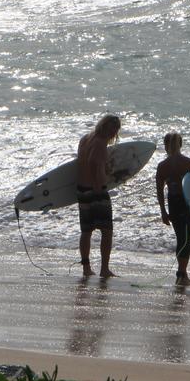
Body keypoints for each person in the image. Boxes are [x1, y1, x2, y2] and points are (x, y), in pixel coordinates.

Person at [155, 132, 190, 286]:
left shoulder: (162, 166)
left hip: (173, 203)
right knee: (187, 239)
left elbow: (160, 191)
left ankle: (182, 274)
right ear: (180, 144)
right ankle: (181, 275)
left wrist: (163, 211)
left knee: (181, 238)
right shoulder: (189, 162)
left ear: (166, 146)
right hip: (188, 203)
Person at [76, 114, 121, 278]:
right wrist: (98, 187)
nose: (113, 133)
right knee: (107, 231)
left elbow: (83, 163)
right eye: (113, 129)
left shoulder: (86, 138)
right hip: (96, 190)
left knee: (86, 230)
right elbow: (95, 165)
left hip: (82, 189)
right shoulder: (100, 143)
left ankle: (86, 268)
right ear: (106, 127)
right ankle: (104, 269)